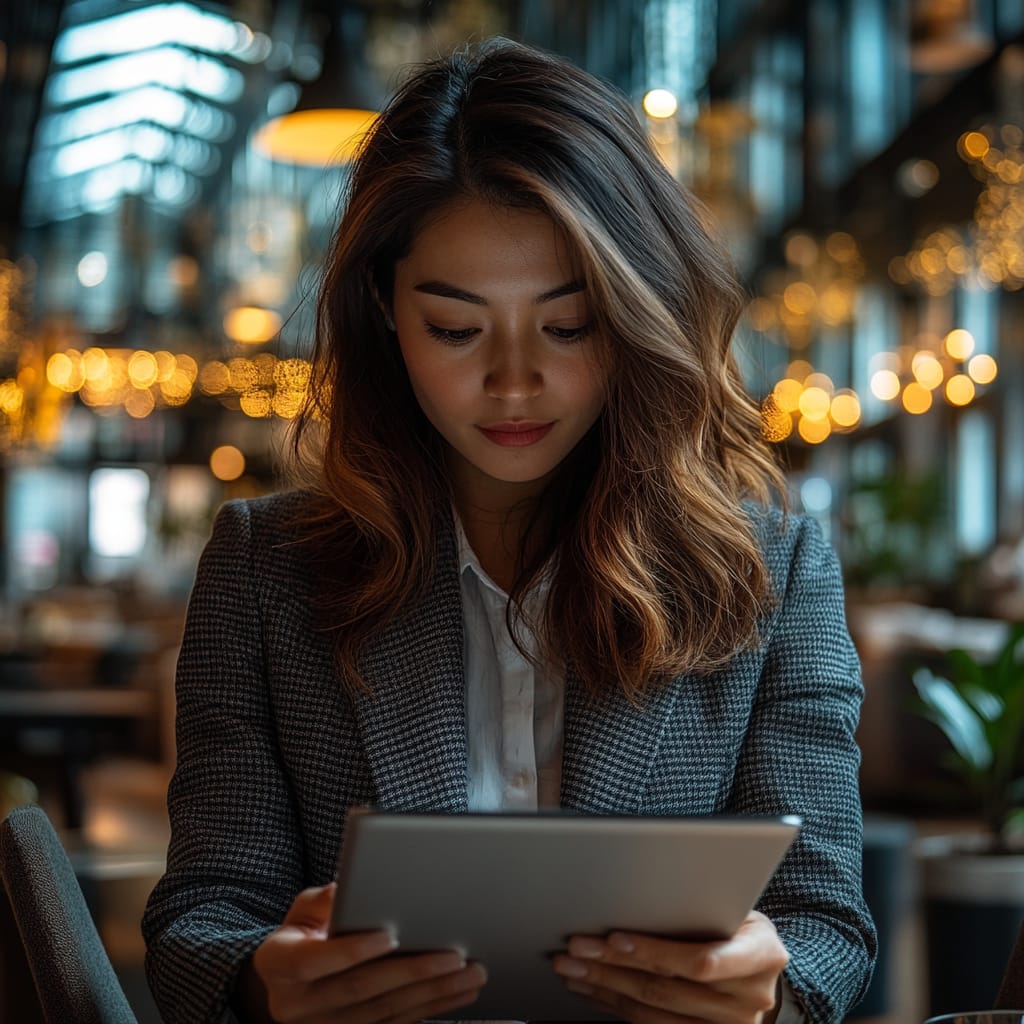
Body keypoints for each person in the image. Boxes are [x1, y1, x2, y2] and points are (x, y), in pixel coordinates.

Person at [142, 36, 876, 1024]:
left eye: (568, 325)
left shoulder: (774, 571)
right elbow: (202, 917)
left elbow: (827, 922)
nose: (515, 380)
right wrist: (261, 979)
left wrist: (767, 992)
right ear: (383, 312)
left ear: (636, 314)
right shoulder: (265, 570)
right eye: (455, 327)